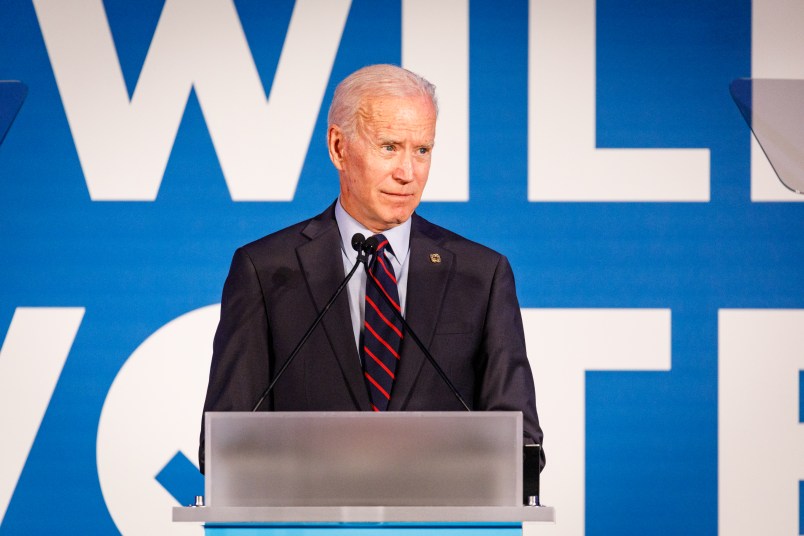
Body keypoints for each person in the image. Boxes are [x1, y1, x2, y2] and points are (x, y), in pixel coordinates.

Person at [199, 64, 543, 473]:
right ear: (339, 147)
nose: (408, 174)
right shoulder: (268, 271)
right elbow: (225, 441)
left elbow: (519, 440)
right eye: (389, 147)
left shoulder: (481, 275)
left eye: (422, 150)